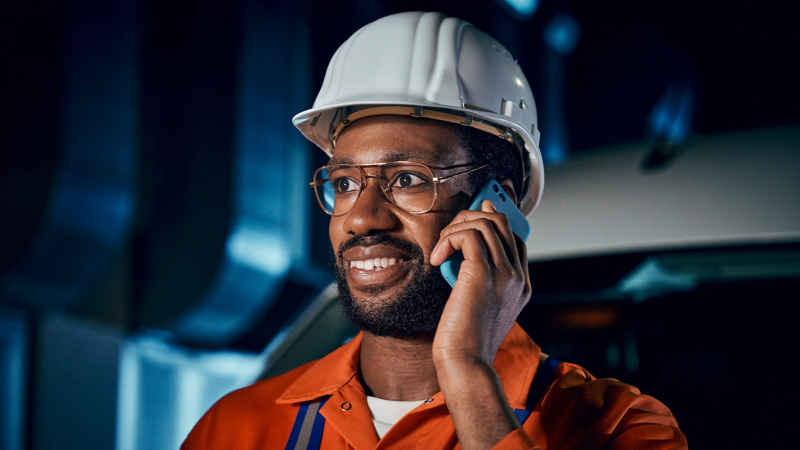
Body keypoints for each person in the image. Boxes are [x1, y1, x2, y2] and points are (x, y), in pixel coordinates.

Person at [182, 11, 687, 450]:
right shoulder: (238, 426)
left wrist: (467, 371)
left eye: (407, 179)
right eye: (344, 182)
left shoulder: (619, 429)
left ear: (499, 203)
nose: (361, 218)